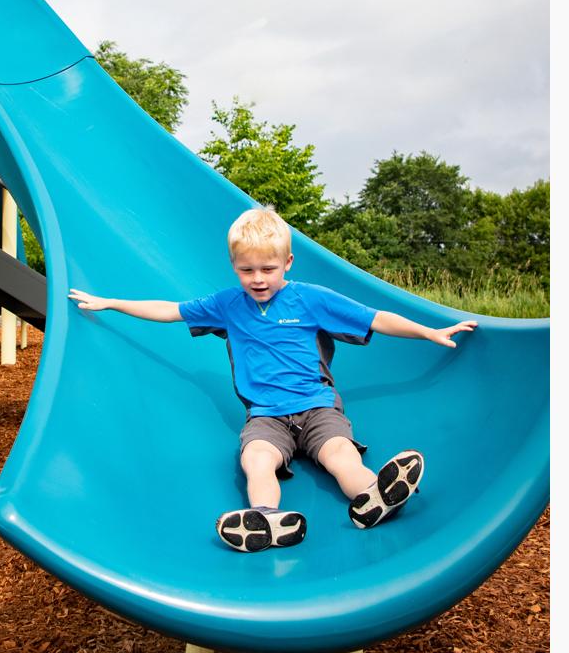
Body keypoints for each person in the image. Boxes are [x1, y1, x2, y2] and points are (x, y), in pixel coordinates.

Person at [68, 207, 478, 553]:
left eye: (268, 268)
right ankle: (267, 520)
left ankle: (373, 496)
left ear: (288, 263)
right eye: (247, 270)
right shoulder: (227, 304)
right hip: (266, 416)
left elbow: (375, 318)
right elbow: (170, 309)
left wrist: (429, 331)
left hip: (317, 405)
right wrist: (109, 303)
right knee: (256, 459)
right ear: (234, 267)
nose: (258, 278)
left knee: (340, 454)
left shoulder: (309, 298)